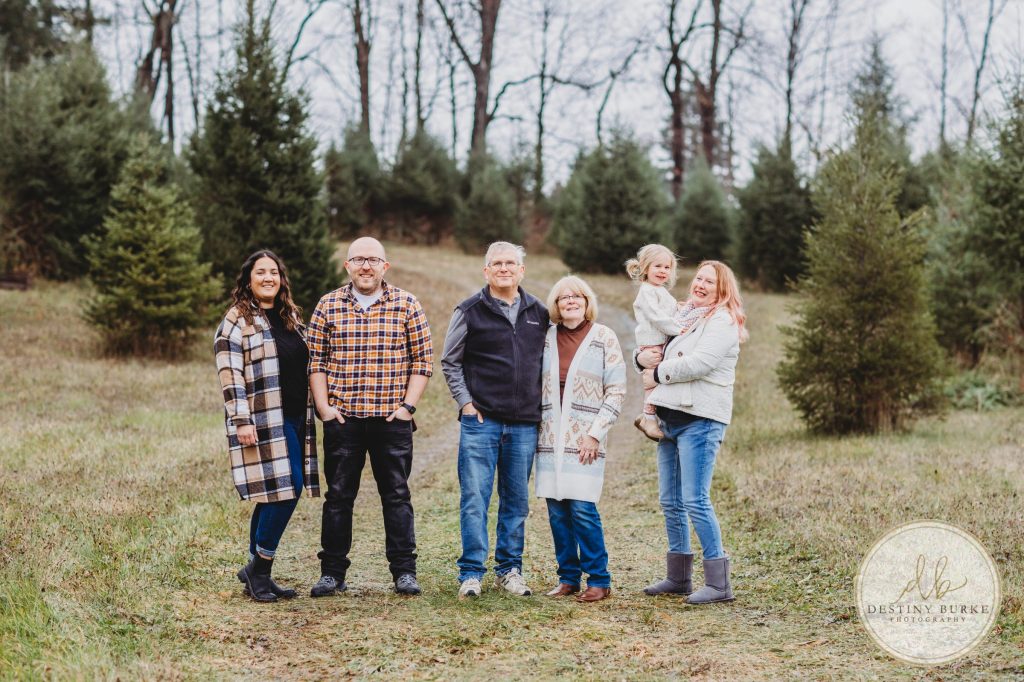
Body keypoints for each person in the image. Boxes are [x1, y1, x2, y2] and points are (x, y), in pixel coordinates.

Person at [307, 237, 433, 598]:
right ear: (347, 265)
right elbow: (315, 362)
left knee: (396, 495)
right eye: (359, 259)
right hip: (343, 420)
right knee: (338, 497)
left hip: (391, 421)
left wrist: (407, 408)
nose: (366, 266)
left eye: (373, 260)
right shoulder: (328, 305)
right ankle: (332, 573)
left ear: (385, 266)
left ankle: (404, 571)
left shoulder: (407, 304)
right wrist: (324, 408)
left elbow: (422, 361)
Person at [441, 241, 548, 598]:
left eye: (510, 263)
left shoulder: (539, 312)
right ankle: (471, 573)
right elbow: (450, 361)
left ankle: (509, 570)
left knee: (516, 501)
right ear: (486, 271)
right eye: (497, 263)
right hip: (481, 423)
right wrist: (466, 403)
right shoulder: (470, 309)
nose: (504, 268)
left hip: (523, 424)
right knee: (475, 498)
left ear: (521, 270)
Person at [637, 260, 748, 604]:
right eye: (698, 278)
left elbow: (701, 363)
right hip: (670, 418)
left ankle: (719, 584)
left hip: (700, 420)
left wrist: (657, 374)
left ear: (722, 289)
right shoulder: (685, 316)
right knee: (670, 500)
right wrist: (642, 360)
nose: (700, 284)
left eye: (709, 282)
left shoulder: (722, 320)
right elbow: (654, 346)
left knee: (695, 500)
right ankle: (678, 577)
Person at [214, 250, 320, 603]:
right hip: (264, 421)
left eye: (273, 272)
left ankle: (257, 572)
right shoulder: (236, 320)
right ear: (248, 280)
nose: (268, 278)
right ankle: (259, 568)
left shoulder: (291, 317)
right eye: (260, 272)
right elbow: (230, 375)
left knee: (274, 492)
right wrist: (241, 420)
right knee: (288, 488)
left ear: (281, 279)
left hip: (296, 417)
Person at [535, 276, 625, 603]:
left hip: (586, 440)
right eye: (563, 297)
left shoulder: (604, 337)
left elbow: (616, 391)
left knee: (583, 509)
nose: (570, 301)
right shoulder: (546, 338)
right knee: (557, 512)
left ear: (587, 302)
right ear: (556, 305)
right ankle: (568, 578)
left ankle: (599, 579)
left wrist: (594, 434)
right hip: (549, 438)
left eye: (577, 296)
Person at [626, 244, 687, 442]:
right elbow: (657, 317)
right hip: (652, 343)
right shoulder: (647, 291)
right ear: (646, 268)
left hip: (662, 342)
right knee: (652, 382)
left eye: (667, 267)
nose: (663, 271)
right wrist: (679, 329)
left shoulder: (659, 290)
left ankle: (652, 416)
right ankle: (648, 419)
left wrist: (681, 308)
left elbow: (669, 309)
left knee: (660, 380)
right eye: (657, 266)